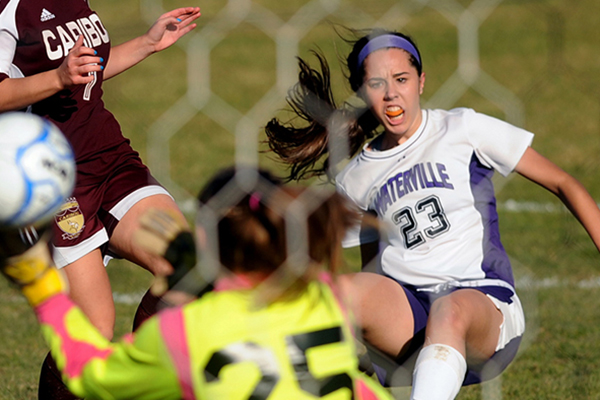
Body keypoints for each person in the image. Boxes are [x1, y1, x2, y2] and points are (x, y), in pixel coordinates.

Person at [265, 29, 600, 399]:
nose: (391, 93)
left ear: (421, 82)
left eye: (401, 79)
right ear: (362, 92)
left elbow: (564, 183)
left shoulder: (462, 129)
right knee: (336, 292)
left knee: (448, 311)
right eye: (377, 83)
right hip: (409, 317)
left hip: (481, 304)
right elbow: (372, 271)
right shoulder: (357, 176)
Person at [0, 166, 394, 400]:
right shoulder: (318, 297)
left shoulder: (185, 332)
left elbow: (90, 375)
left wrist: (42, 287)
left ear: (204, 237)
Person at [0, 3, 200, 398]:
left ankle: (143, 386)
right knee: (92, 333)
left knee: (187, 268)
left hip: (111, 158)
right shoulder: (9, 11)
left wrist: (146, 43)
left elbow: (86, 70)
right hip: (52, 177)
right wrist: (57, 77)